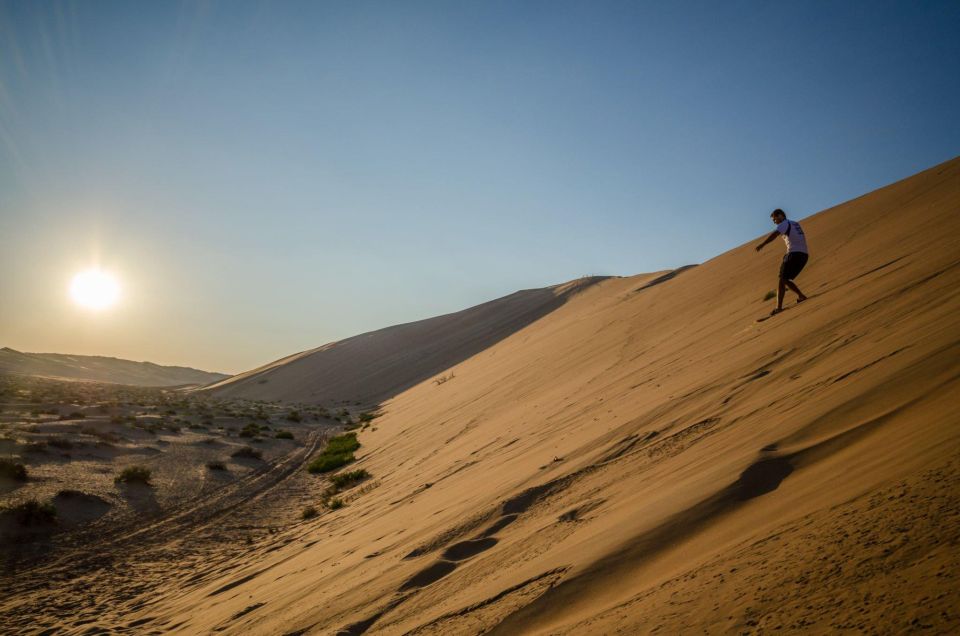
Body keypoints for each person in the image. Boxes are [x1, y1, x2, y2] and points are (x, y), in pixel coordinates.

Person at [755, 208, 809, 315]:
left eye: (774, 220)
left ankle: (779, 307)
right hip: (804, 255)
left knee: (783, 279)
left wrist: (763, 244)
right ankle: (800, 296)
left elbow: (774, 235)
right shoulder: (795, 223)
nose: (775, 222)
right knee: (784, 279)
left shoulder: (784, 223)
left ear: (780, 216)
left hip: (794, 254)